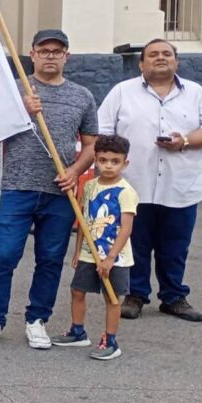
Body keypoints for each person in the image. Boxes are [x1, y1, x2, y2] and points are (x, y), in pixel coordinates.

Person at [0, 29, 98, 350]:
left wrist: (74, 171)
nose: (51, 55)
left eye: (57, 50)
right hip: (18, 187)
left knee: (51, 258)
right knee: (4, 255)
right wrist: (20, 110)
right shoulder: (15, 91)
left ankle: (37, 319)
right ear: (33, 54)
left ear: (67, 55)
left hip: (60, 190)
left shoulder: (82, 96)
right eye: (44, 50)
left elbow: (92, 144)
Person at [97, 38, 202, 323]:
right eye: (153, 54)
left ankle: (174, 297)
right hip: (133, 185)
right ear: (141, 63)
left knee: (175, 246)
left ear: (176, 62)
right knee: (135, 244)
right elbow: (103, 130)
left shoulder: (196, 93)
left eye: (167, 53)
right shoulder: (121, 92)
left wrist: (186, 140)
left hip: (180, 186)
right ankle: (135, 295)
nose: (160, 58)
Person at [51, 134, 138, 360]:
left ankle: (110, 340)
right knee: (77, 291)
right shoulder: (89, 186)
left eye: (115, 161)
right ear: (95, 161)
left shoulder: (126, 191)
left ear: (125, 163)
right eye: (103, 160)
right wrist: (78, 251)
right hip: (90, 254)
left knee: (112, 298)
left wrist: (110, 258)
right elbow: (83, 221)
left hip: (114, 257)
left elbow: (126, 229)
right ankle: (77, 331)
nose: (108, 166)